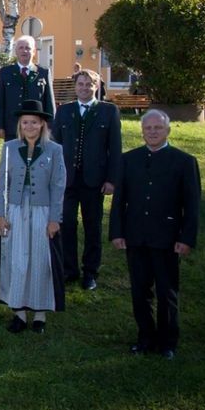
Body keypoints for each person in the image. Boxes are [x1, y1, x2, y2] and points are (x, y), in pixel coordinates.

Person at [110, 109, 201, 359]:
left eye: (157, 128)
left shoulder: (184, 162)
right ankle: (145, 337)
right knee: (140, 291)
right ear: (142, 131)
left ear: (167, 130)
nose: (152, 132)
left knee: (166, 291)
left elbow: (192, 206)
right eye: (148, 128)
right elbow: (119, 201)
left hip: (168, 238)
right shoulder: (129, 160)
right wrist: (117, 232)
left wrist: (186, 238)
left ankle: (168, 342)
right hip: (135, 236)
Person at [0, 100, 67, 334]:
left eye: (34, 122)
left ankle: (40, 314)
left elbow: (58, 186)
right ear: (20, 125)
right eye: (25, 122)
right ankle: (19, 313)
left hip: (41, 211)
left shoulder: (54, 150)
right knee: (16, 259)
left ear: (43, 124)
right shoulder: (10, 148)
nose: (30, 126)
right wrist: (1, 214)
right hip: (15, 208)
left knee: (39, 260)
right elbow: (2, 183)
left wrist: (55, 218)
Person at [51, 69, 121, 290]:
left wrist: (112, 179)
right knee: (66, 224)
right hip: (67, 180)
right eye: (80, 84)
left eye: (89, 84)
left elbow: (115, 148)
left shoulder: (108, 111)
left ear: (97, 86)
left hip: (94, 180)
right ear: (75, 86)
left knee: (93, 226)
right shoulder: (64, 112)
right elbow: (54, 146)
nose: (84, 88)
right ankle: (69, 269)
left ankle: (90, 272)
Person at [0, 36, 55, 139]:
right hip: (12, 128)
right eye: (21, 48)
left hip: (37, 129)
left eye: (28, 48)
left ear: (34, 51)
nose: (24, 51)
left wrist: (50, 126)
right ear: (16, 51)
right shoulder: (6, 72)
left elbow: (49, 101)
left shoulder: (43, 72)